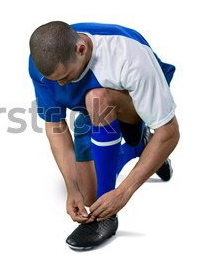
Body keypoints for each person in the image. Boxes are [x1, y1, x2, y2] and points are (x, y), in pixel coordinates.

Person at [28, 21, 180, 250]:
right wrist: (72, 189)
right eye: (54, 79)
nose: (60, 85)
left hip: (136, 102)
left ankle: (107, 218)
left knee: (97, 99)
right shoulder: (42, 64)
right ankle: (140, 147)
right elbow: (55, 125)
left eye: (65, 76)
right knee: (90, 197)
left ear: (81, 49)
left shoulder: (129, 56)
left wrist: (122, 192)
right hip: (92, 113)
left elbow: (169, 132)